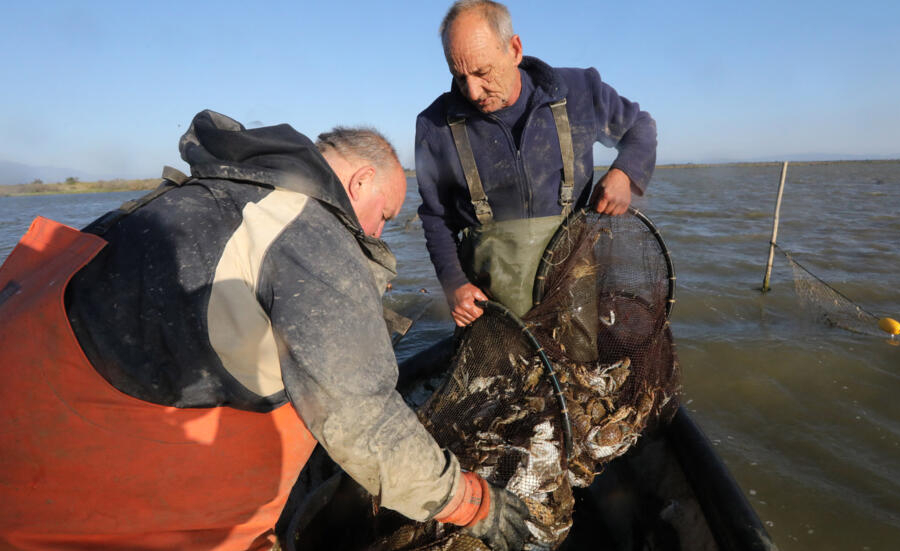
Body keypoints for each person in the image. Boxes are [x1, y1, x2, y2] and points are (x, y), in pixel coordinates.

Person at [0, 110, 529, 551]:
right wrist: (467, 501)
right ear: (360, 182)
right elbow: (358, 412)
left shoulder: (194, 196)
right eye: (384, 215)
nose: (376, 232)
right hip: (79, 492)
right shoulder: (311, 230)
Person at [415, 0, 658, 324]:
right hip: (490, 312)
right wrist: (454, 284)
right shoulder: (435, 126)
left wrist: (625, 172)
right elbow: (435, 217)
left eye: (482, 72)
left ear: (514, 49)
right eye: (460, 78)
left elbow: (639, 127)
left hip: (573, 294)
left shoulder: (580, 91)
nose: (472, 91)